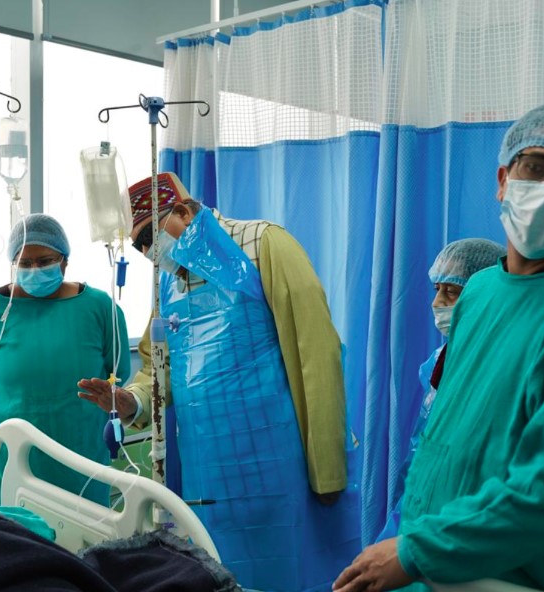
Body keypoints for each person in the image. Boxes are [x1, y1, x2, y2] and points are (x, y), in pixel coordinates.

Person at [335, 101, 544, 592]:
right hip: (441, 558)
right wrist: (415, 537)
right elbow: (446, 439)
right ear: (504, 179)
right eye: (536, 167)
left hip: (525, 577)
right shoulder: (481, 291)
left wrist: (418, 551)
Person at [79, 172, 354, 591]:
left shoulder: (264, 244)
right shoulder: (168, 285)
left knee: (293, 575)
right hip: (209, 478)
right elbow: (158, 370)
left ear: (184, 213)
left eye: (151, 235)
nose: (149, 252)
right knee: (224, 577)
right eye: (139, 246)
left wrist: (328, 471)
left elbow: (316, 355)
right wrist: (130, 401)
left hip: (279, 467)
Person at [0, 214, 130, 505]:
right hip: (8, 466)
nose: (34, 270)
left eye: (45, 261)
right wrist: (9, 407)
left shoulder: (99, 309)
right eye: (24, 263)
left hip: (82, 462)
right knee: (12, 531)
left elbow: (117, 373)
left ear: (64, 261)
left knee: (87, 530)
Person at [375, 238, 505, 543]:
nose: (437, 302)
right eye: (437, 289)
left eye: (452, 292)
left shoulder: (500, 365)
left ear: (486, 295)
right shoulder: (440, 360)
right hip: (421, 509)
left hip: (461, 521)